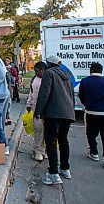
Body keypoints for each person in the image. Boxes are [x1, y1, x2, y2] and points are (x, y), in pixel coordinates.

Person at [34, 55, 75, 185]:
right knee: (63, 140)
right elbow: (71, 95)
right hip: (68, 113)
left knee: (51, 142)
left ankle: (53, 173)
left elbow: (44, 93)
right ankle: (65, 169)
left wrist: (38, 111)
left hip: (53, 113)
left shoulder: (49, 73)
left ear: (49, 64)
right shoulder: (67, 75)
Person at [79, 62, 104, 170]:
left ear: (91, 70)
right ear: (101, 71)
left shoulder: (85, 81)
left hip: (91, 113)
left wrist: (88, 105)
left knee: (91, 134)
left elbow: (81, 97)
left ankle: (93, 152)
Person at [26, 61, 47, 161]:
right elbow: (31, 92)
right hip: (35, 107)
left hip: (46, 108)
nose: (36, 73)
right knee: (38, 129)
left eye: (37, 71)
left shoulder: (48, 79)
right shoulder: (34, 79)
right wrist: (29, 104)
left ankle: (44, 150)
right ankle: (39, 151)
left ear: (43, 70)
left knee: (46, 130)